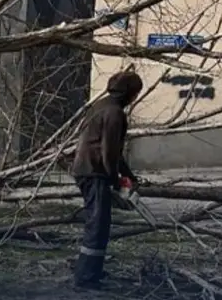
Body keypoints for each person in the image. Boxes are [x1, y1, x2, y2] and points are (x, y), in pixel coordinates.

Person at [71, 70, 143, 290]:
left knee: (98, 223)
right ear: (130, 93)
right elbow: (109, 151)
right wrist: (114, 179)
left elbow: (113, 152)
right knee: (97, 225)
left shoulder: (100, 106)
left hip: (87, 169)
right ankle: (86, 277)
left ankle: (91, 270)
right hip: (95, 172)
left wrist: (128, 175)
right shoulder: (114, 113)